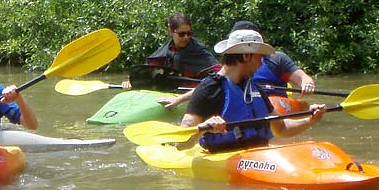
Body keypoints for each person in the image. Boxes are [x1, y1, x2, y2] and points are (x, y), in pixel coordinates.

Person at [180, 29, 325, 153]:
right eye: (260, 57)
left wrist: (311, 119)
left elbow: (281, 128)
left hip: (258, 156)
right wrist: (204, 128)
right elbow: (181, 143)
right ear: (246, 56)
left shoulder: (254, 88)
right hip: (225, 157)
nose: (262, 63)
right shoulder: (209, 89)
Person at [160, 19, 317, 109]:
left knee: (298, 106)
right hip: (246, 103)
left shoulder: (277, 59)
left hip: (274, 102)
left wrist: (307, 83)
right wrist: (179, 99)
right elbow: (211, 86)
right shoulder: (230, 67)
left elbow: (303, 78)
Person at [125, 13, 220, 94]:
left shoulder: (199, 50)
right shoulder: (165, 51)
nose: (186, 37)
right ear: (171, 32)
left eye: (189, 33)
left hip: (192, 93)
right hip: (169, 92)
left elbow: (219, 73)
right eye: (181, 34)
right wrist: (132, 81)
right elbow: (149, 72)